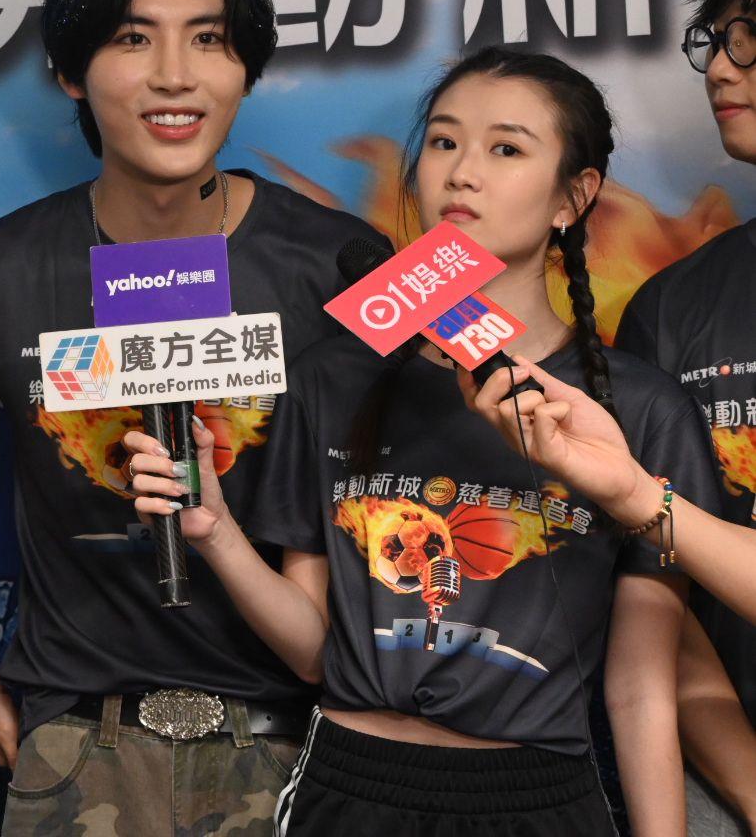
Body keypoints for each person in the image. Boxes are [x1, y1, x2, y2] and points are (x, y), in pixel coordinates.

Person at [128, 47, 720, 836]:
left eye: (505, 149)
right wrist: (216, 532)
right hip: (348, 786)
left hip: (535, 798)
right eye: (443, 142)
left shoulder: (638, 411)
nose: (462, 173)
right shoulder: (334, 376)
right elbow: (315, 654)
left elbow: (641, 690)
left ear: (573, 197)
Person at [0, 0, 387, 834]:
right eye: (134, 38)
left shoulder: (339, 265)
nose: (176, 75)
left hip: (298, 743)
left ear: (245, 68)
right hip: (75, 746)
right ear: (70, 71)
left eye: (209, 39)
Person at [612, 0, 756, 835]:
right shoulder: (672, 308)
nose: (721, 68)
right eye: (717, 35)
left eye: (754, 34)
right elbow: (660, 596)